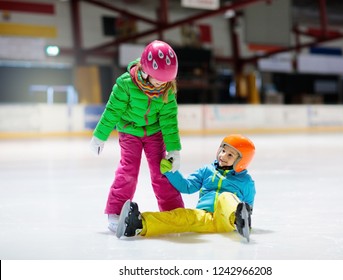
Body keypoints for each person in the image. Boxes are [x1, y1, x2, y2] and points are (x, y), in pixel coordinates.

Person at [89, 40, 184, 233]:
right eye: (158, 79)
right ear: (146, 70)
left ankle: (173, 212)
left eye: (166, 81)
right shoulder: (125, 84)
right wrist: (100, 136)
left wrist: (174, 149)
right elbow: (112, 111)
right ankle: (116, 212)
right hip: (129, 131)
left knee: (161, 172)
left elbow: (169, 121)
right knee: (128, 171)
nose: (162, 84)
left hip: (154, 133)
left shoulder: (166, 90)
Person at [115, 134, 256, 241]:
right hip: (204, 217)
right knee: (181, 216)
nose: (223, 155)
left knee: (226, 197)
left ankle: (238, 220)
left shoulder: (246, 182)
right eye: (223, 150)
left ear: (241, 161)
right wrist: (171, 172)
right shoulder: (207, 171)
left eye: (230, 154)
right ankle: (139, 223)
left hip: (227, 220)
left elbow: (248, 205)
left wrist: (244, 219)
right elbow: (187, 186)